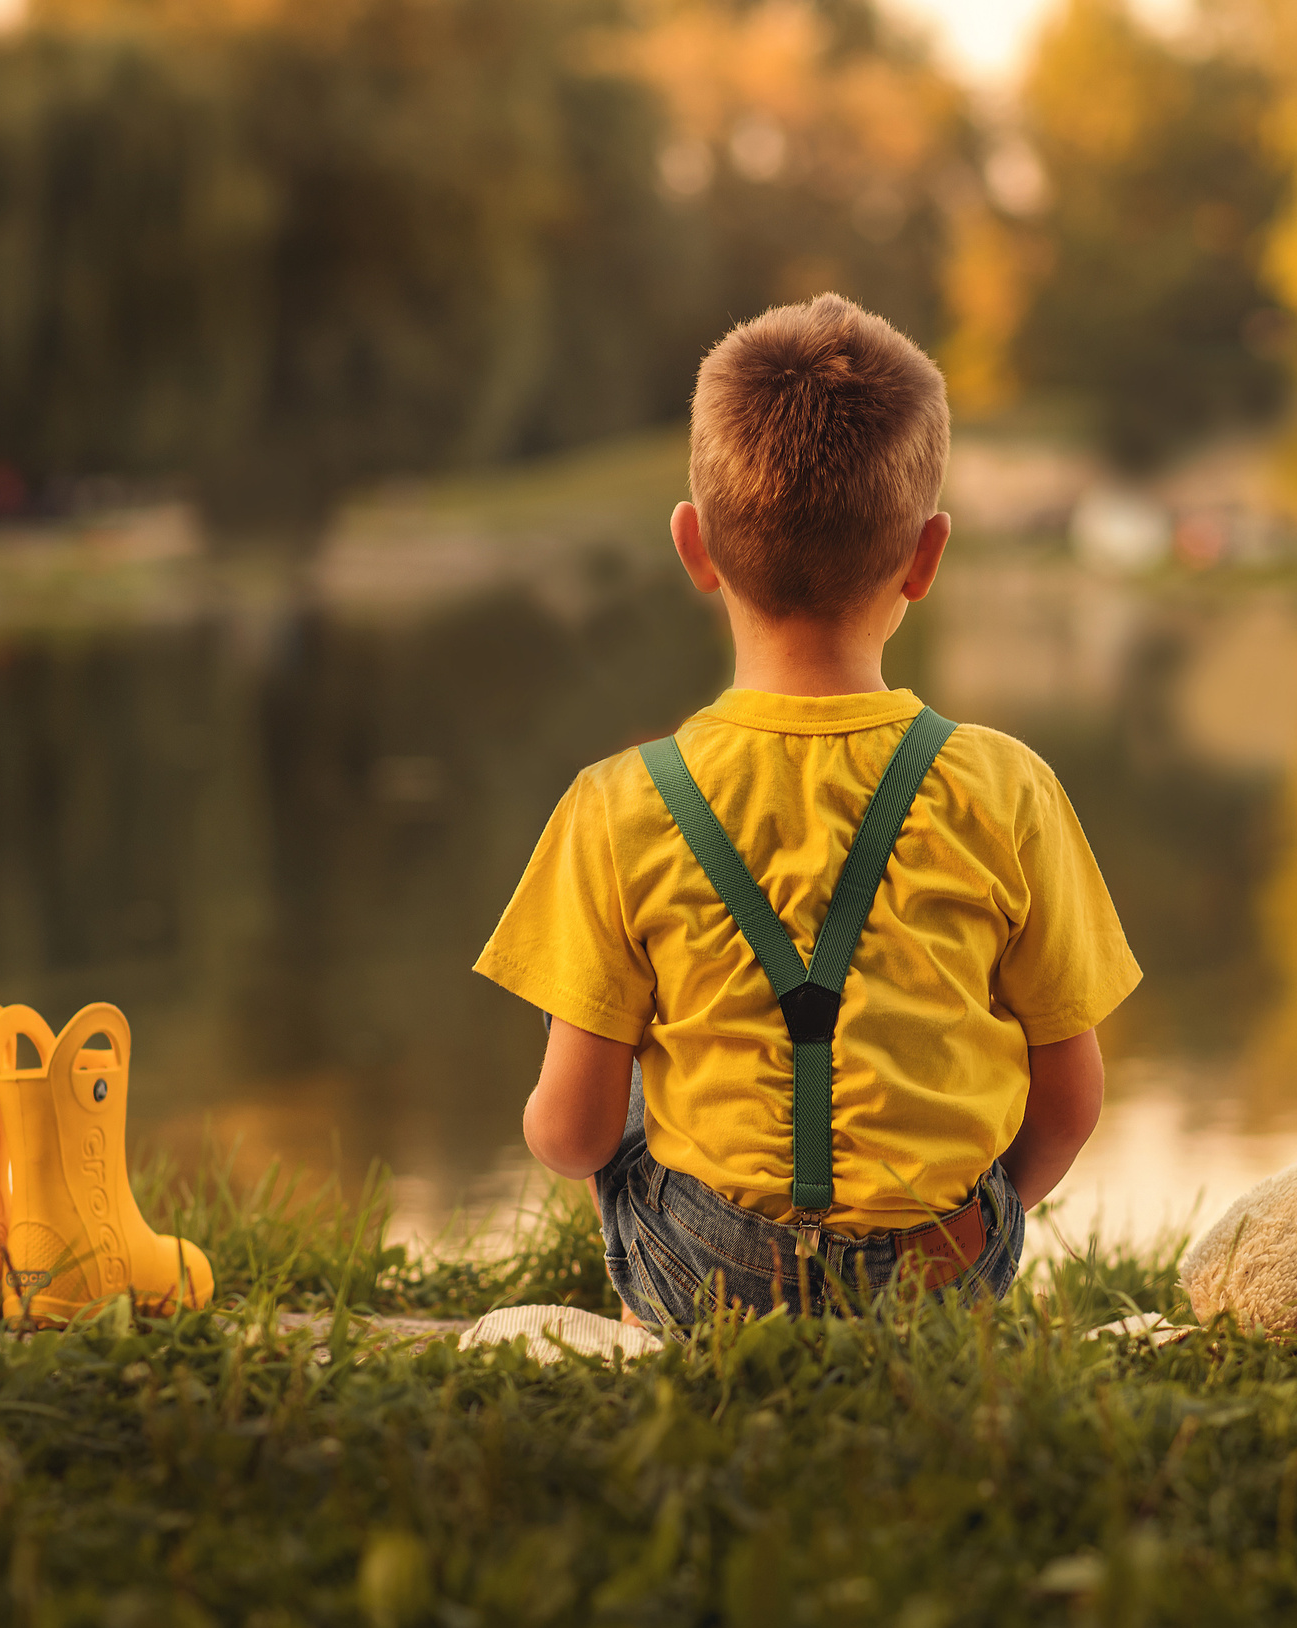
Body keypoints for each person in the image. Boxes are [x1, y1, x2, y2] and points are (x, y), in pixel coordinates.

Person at [475, 294, 1140, 1327]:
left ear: (693, 546)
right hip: (938, 1270)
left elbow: (570, 1137)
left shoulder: (617, 803)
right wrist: (967, 1222)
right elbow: (1071, 1102)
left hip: (708, 1282)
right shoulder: (1009, 787)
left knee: (638, 1083)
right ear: (927, 555)